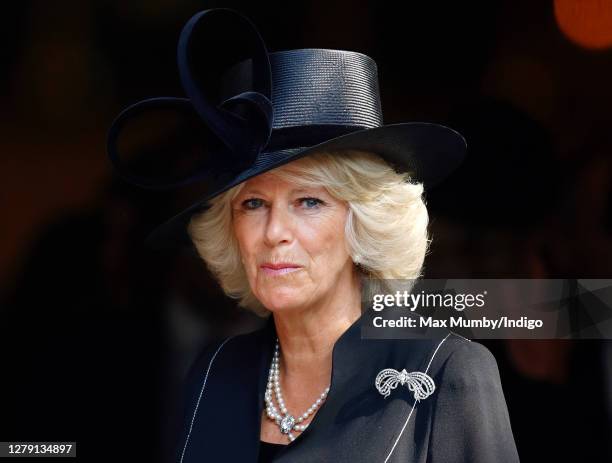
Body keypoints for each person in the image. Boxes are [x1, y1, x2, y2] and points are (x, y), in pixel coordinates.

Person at [107, 8, 520, 462]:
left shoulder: (446, 371)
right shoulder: (216, 370)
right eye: (253, 204)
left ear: (364, 221)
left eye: (309, 202)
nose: (274, 232)